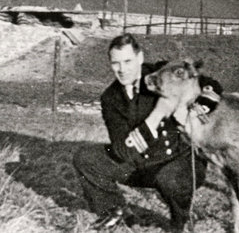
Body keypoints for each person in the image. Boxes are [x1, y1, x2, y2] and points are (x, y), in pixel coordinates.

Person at [73, 33, 222, 232]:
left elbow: (210, 85)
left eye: (128, 61)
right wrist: (157, 115)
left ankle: (180, 220)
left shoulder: (161, 72)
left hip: (179, 160)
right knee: (85, 158)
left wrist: (195, 112)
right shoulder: (110, 97)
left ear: (140, 58)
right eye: (116, 63)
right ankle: (114, 211)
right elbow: (121, 150)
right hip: (140, 164)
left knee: (169, 179)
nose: (122, 69)